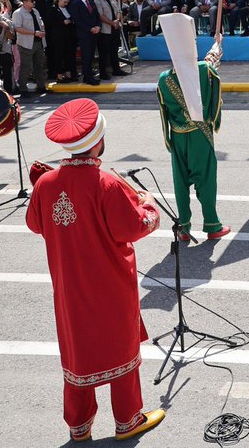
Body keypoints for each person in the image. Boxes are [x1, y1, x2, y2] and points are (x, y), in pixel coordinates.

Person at [25, 98, 165, 442]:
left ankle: (79, 425)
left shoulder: (46, 183)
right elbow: (137, 226)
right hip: (110, 284)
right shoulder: (107, 183)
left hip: (70, 287)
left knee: (78, 349)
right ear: (99, 141)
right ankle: (128, 420)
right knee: (120, 346)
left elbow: (35, 223)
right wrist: (148, 203)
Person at [157, 15, 229, 240]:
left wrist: (169, 138)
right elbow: (212, 59)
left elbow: (163, 113)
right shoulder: (202, 70)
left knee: (180, 182)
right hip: (200, 134)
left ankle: (184, 228)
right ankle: (212, 225)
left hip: (178, 136)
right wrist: (218, 42)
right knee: (206, 179)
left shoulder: (163, 79)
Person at [11, 0, 48, 99]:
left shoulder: (35, 11)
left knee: (39, 65)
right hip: (26, 43)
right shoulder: (18, 13)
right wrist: (34, 33)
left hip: (39, 42)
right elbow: (17, 28)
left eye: (34, 0)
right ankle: (23, 88)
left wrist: (41, 31)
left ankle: (41, 86)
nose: (34, 2)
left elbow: (40, 23)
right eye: (32, 1)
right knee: (26, 67)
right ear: (25, 2)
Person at [93, 0, 126, 79]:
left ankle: (116, 69)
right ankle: (103, 72)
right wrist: (112, 23)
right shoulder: (98, 1)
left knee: (114, 50)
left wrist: (117, 20)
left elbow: (118, 11)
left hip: (114, 28)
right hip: (105, 30)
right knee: (103, 52)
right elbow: (100, 15)